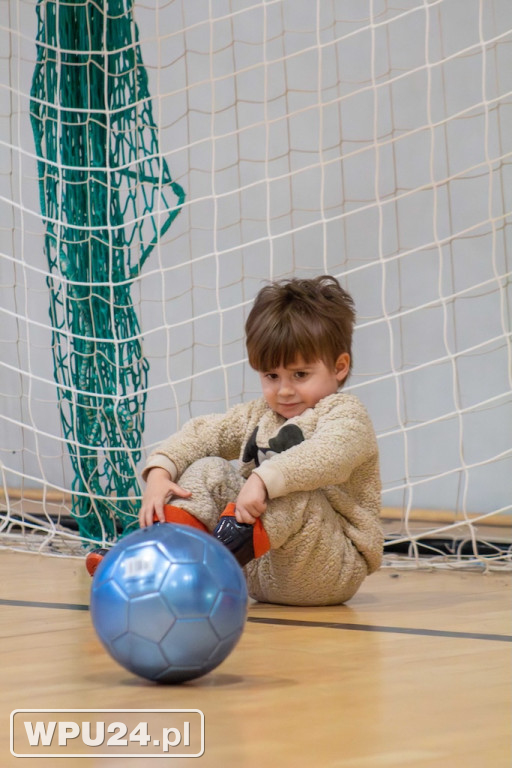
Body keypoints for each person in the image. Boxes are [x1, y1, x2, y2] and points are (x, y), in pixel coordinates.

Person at [87, 275, 383, 606]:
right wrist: (160, 472)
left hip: (329, 568)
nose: (283, 390)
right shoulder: (258, 415)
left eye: (300, 375)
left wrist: (261, 479)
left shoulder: (346, 415)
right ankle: (157, 556)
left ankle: (197, 570)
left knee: (294, 490)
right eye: (272, 376)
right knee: (208, 469)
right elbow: (203, 433)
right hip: (258, 568)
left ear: (339, 367)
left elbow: (327, 456)